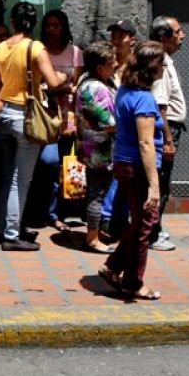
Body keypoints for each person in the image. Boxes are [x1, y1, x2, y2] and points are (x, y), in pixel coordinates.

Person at [0, 2, 70, 252]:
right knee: (20, 180)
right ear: (34, 23)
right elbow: (54, 81)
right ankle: (12, 234)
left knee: (7, 177)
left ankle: (5, 227)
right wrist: (65, 77)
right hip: (26, 117)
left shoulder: (1, 48)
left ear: (13, 21)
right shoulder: (36, 48)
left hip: (4, 115)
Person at [99, 42, 167, 301]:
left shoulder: (126, 91)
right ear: (152, 68)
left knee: (138, 220)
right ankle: (133, 282)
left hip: (124, 163)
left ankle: (113, 265)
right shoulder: (144, 100)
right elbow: (146, 143)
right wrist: (154, 184)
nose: (164, 68)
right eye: (161, 63)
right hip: (137, 167)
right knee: (145, 225)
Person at [32, 9, 83, 234]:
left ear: (64, 27)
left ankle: (63, 212)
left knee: (70, 164)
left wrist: (56, 87)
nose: (52, 29)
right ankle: (45, 212)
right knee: (49, 162)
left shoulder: (75, 53)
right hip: (45, 116)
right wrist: (59, 86)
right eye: (48, 25)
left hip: (69, 114)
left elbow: (78, 87)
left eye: (56, 25)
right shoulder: (39, 51)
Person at [149, 15, 187, 253]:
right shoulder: (160, 62)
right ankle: (152, 233)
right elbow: (160, 107)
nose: (182, 35)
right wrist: (168, 141)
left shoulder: (166, 60)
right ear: (164, 37)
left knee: (163, 183)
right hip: (166, 129)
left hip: (170, 128)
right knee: (160, 184)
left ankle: (155, 228)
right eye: (178, 31)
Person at [76, 41, 118, 254]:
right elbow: (108, 121)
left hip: (92, 147)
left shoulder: (89, 81)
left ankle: (94, 232)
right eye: (112, 62)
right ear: (101, 67)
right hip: (100, 150)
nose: (117, 64)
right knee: (97, 192)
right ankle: (92, 237)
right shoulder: (96, 88)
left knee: (97, 190)